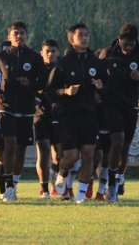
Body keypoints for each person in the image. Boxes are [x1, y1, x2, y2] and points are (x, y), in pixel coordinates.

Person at [47, 22, 107, 204]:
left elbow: (107, 86)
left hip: (89, 114)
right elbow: (49, 90)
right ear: (71, 39)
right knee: (71, 158)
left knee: (89, 154)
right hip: (69, 115)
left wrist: (101, 87)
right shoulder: (62, 63)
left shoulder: (95, 63)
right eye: (80, 35)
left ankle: (80, 195)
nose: (84, 38)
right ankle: (62, 173)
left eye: (86, 35)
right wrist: (65, 92)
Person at [99, 23, 139, 202]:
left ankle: (119, 178)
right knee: (117, 140)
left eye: (132, 45)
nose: (129, 48)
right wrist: (98, 90)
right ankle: (112, 186)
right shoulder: (107, 54)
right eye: (126, 44)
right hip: (111, 103)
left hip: (130, 104)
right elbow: (96, 73)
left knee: (125, 147)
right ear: (119, 39)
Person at [0, 21, 48, 202]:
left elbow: (44, 82)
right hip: (6, 108)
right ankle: (8, 187)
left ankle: (13, 185)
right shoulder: (0, 57)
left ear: (26, 35)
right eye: (15, 33)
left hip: (25, 109)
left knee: (21, 149)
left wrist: (30, 84)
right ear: (9, 37)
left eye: (22, 33)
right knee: (9, 144)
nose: (19, 36)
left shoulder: (34, 57)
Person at [34, 39, 59, 199]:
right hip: (40, 115)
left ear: (57, 52)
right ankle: (44, 189)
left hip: (59, 116)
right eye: (47, 51)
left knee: (58, 155)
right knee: (43, 153)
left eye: (53, 51)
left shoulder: (61, 68)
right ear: (41, 53)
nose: (50, 54)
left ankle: (54, 176)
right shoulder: (36, 69)